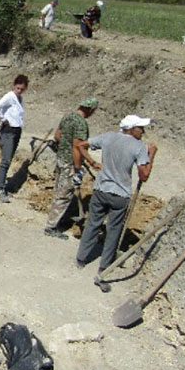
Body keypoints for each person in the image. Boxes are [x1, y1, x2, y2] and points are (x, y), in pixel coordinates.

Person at [75, 115, 157, 274]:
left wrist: (92, 163)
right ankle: (104, 267)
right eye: (140, 128)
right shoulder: (138, 147)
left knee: (93, 223)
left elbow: (81, 145)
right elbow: (144, 176)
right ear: (131, 129)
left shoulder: (108, 137)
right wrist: (151, 154)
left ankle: (81, 258)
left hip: (101, 189)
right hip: (120, 194)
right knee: (113, 230)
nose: (143, 131)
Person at [44, 98, 102, 240]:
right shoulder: (81, 124)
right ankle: (51, 227)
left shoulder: (68, 116)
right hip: (70, 163)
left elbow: (57, 135)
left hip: (61, 159)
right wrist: (80, 167)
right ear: (91, 109)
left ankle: (55, 218)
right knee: (64, 194)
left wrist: (64, 145)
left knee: (59, 190)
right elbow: (78, 147)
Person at [0, 74, 29, 203]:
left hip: (16, 130)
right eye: (18, 88)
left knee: (9, 159)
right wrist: (4, 119)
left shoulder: (19, 98)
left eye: (22, 89)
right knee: (6, 161)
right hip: (8, 131)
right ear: (14, 86)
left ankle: (1, 185)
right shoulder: (10, 96)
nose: (19, 91)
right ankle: (0, 188)